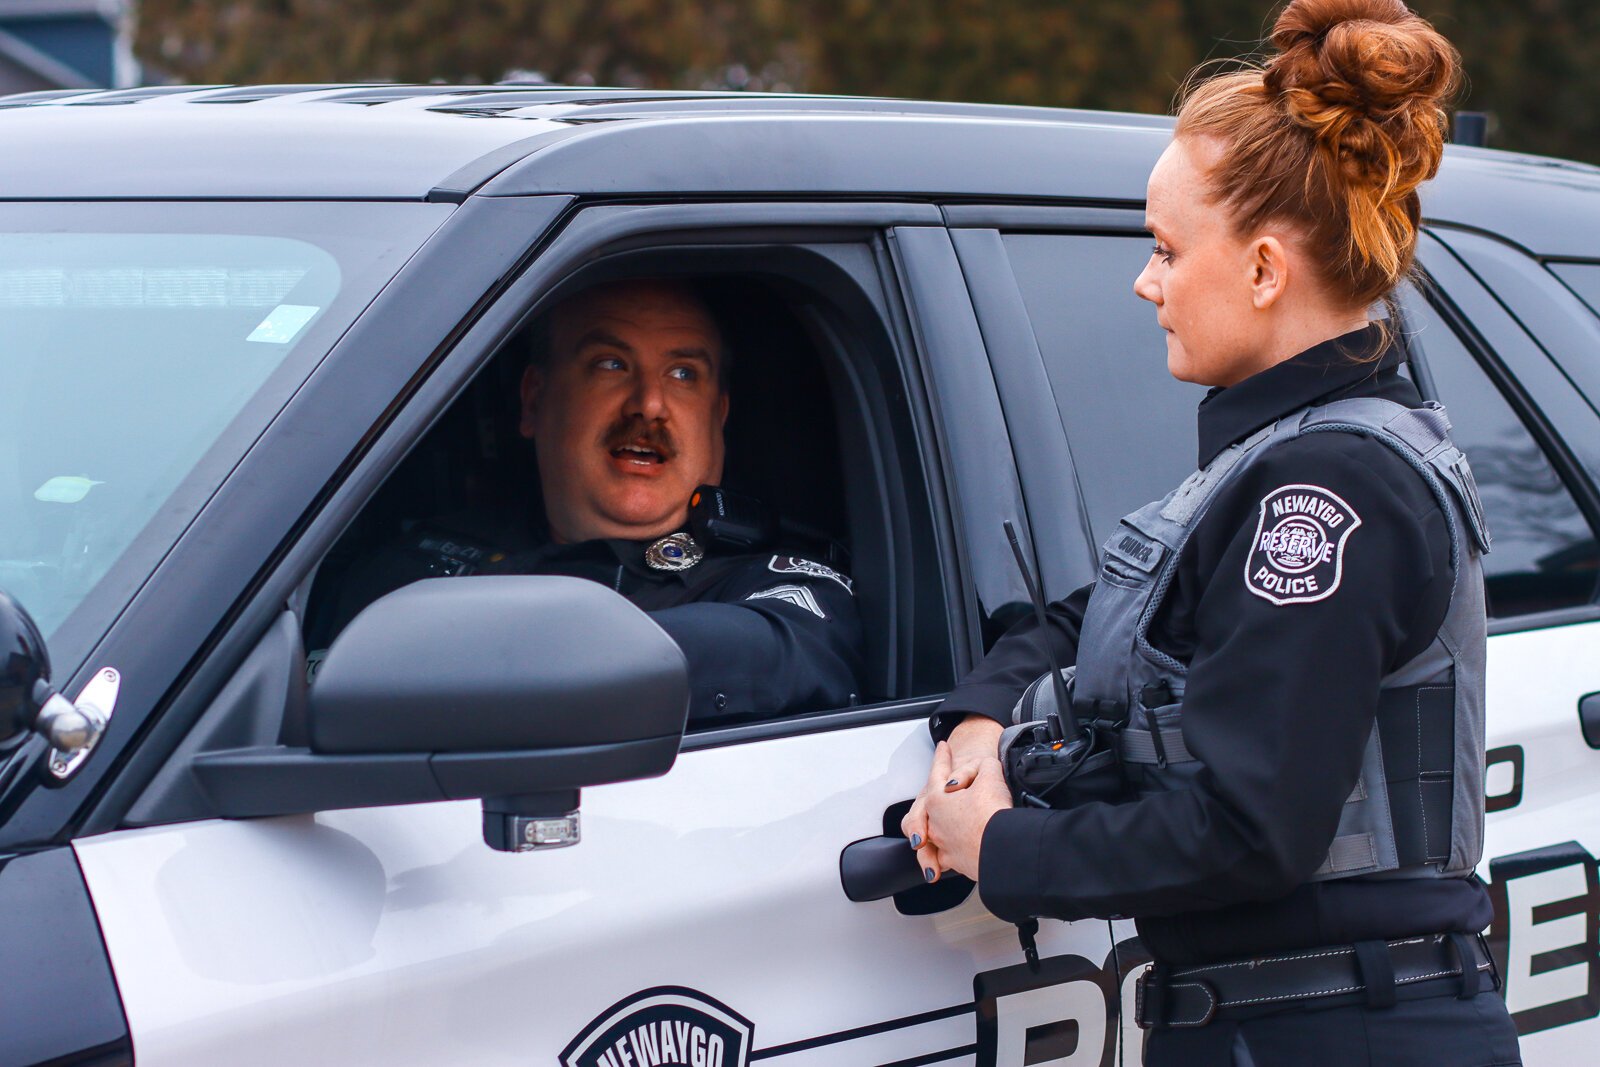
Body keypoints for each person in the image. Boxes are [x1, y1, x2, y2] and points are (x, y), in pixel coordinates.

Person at [903, 2, 1521, 1064]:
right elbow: (1100, 612)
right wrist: (976, 727)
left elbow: (1245, 828)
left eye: (1165, 248)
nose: (1145, 281)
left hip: (1329, 1032)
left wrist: (1000, 843)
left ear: (1265, 271)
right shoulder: (1282, 461)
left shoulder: (1325, 486)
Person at [317, 278, 863, 724]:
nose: (649, 405)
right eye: (611, 364)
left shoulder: (773, 583)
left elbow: (783, 656)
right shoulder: (418, 561)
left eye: (682, 374)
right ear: (535, 400)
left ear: (718, 417)